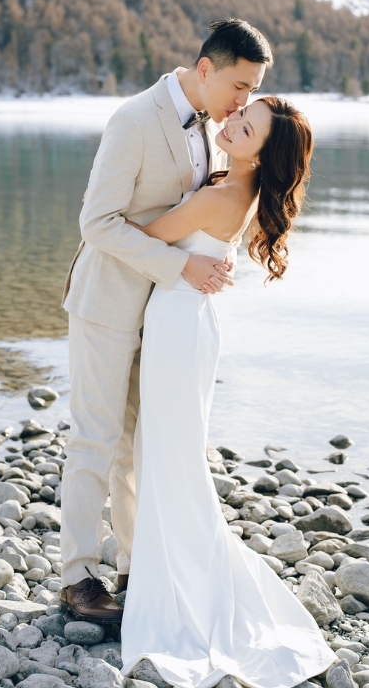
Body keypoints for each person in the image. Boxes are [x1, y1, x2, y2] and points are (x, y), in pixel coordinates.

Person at [118, 95, 337, 688]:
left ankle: (180, 587)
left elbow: (137, 234)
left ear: (263, 152)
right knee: (171, 457)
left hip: (179, 325)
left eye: (248, 128)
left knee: (170, 459)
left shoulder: (218, 195)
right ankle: (169, 570)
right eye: (241, 116)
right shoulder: (231, 188)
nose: (232, 124)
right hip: (189, 322)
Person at [59, 19, 273, 623]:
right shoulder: (133, 120)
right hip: (106, 304)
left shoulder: (215, 126)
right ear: (205, 69)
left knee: (138, 444)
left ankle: (136, 562)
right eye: (239, 86)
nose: (243, 102)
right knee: (94, 438)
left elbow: (206, 206)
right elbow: (96, 224)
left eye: (252, 91)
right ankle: (76, 576)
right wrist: (181, 266)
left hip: (161, 313)